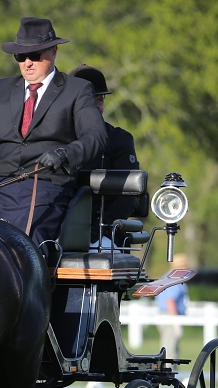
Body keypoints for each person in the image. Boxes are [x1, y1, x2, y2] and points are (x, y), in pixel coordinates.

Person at [0, 17, 107, 261]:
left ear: (54, 52)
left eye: (35, 55)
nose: (27, 63)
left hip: (45, 186)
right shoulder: (0, 90)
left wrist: (64, 154)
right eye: (20, 57)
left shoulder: (77, 90)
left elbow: (96, 136)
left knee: (23, 250)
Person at [68, 64, 141, 250]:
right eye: (89, 100)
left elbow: (129, 196)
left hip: (103, 230)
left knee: (103, 253)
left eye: (100, 100)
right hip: (58, 226)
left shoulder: (119, 139)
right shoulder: (55, 139)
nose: (96, 107)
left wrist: (103, 227)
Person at [156, 253, 190, 361]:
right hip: (170, 315)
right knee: (170, 350)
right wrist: (176, 322)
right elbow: (170, 301)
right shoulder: (175, 279)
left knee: (169, 347)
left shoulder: (168, 276)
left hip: (165, 315)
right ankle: (169, 374)